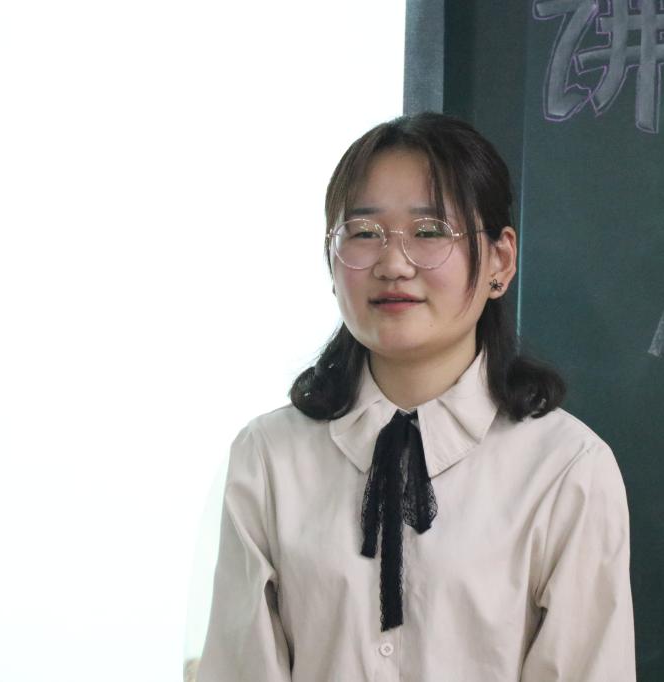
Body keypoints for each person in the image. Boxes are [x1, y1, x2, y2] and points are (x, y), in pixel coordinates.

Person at [197, 112, 635, 681]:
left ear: (500, 261)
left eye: (430, 232)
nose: (393, 264)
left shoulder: (567, 468)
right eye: (364, 232)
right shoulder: (269, 457)